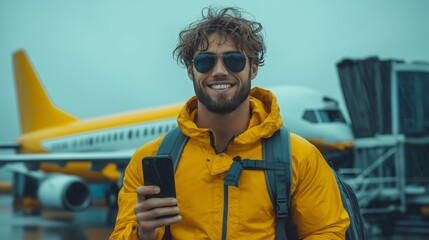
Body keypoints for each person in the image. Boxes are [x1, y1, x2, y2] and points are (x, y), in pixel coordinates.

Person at [110, 6, 350, 240]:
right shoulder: (147, 159)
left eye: (234, 60)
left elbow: (327, 231)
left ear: (253, 68)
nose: (219, 71)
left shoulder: (301, 157)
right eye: (205, 62)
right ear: (190, 71)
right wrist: (142, 234)